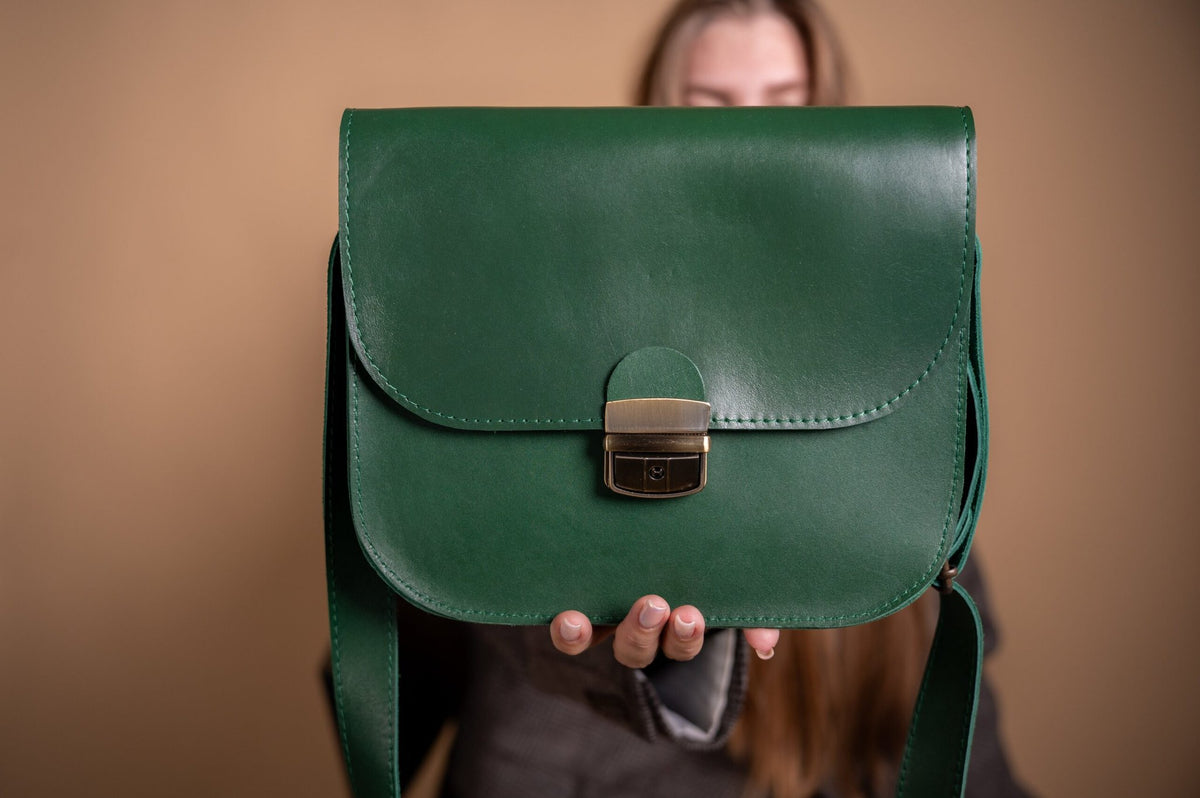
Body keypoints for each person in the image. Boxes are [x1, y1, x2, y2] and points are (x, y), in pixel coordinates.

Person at [361, 3, 1033, 797]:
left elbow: (974, 768)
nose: (748, 144)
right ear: (647, 130)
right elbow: (465, 566)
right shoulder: (527, 322)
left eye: (786, 106)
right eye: (707, 106)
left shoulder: (901, 416)